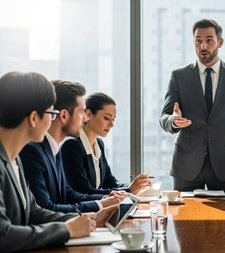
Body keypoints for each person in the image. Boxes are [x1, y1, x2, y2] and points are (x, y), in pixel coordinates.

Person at [0, 71, 116, 252]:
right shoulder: (15, 158)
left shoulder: (14, 160)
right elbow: (3, 235)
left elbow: (33, 212)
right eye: (51, 113)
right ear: (33, 118)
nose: (52, 119)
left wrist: (88, 218)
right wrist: (67, 229)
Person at [160, 18, 225, 192]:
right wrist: (173, 120)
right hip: (186, 166)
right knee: (183, 217)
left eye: (209, 40)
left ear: (220, 42)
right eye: (198, 41)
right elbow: (164, 117)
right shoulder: (179, 76)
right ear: (193, 42)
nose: (203, 46)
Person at [20, 80, 123, 213]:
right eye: (81, 113)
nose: (85, 119)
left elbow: (68, 194)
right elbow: (45, 208)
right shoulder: (32, 151)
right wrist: (100, 205)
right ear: (63, 115)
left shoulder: (53, 149)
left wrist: (103, 200)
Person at [61, 92, 151, 195]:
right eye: (107, 118)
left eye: (113, 119)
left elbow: (110, 183)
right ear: (88, 114)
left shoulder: (99, 144)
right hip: (83, 210)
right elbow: (84, 191)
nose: (111, 124)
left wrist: (138, 186)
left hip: (100, 208)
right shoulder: (71, 146)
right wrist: (129, 190)